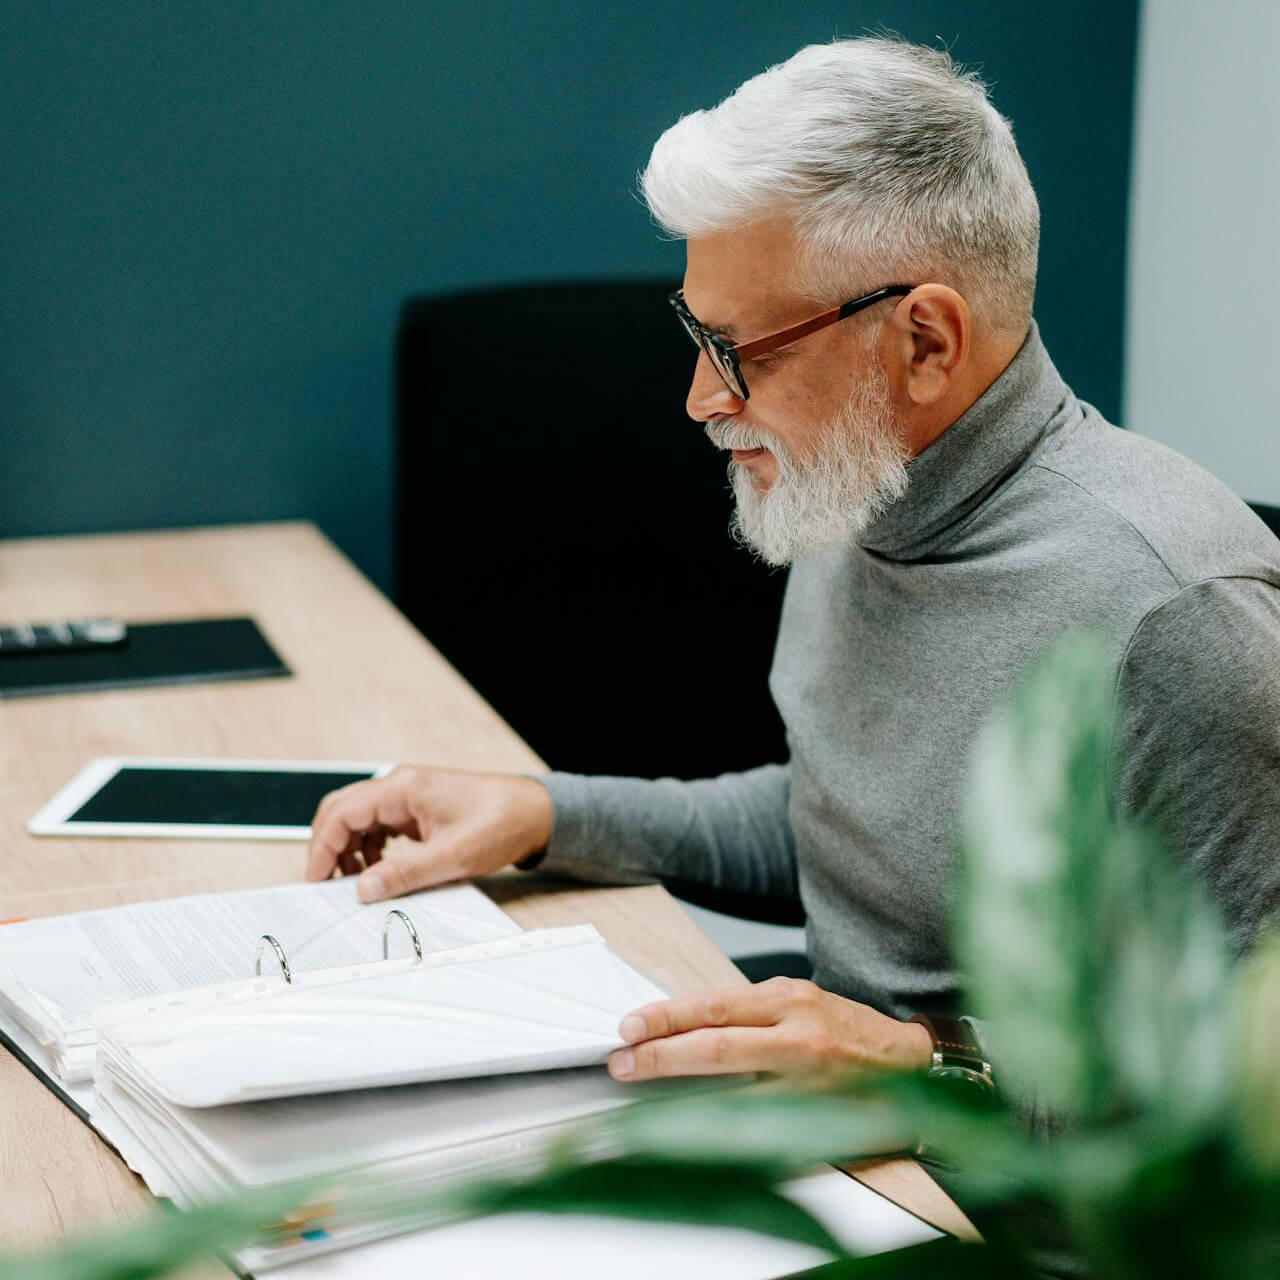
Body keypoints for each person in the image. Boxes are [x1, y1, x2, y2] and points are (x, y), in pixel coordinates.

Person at [305, 37, 1280, 1092]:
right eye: (695, 333)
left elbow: (1241, 1096)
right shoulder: (860, 483)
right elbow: (854, 830)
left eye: (742, 350)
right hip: (844, 1134)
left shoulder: (1174, 611)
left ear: (924, 343)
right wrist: (549, 813)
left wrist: (925, 1065)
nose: (698, 398)